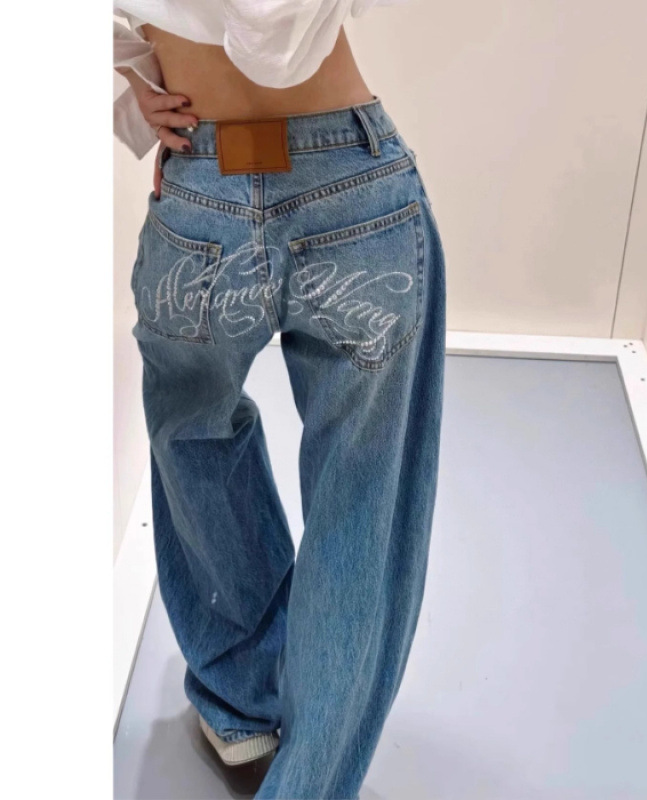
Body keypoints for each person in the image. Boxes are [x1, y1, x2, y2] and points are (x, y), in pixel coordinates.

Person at [113, 2, 447, 798]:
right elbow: (277, 42)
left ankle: (239, 701)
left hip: (202, 182)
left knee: (194, 439)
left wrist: (131, 77)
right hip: (352, 186)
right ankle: (311, 779)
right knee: (365, 491)